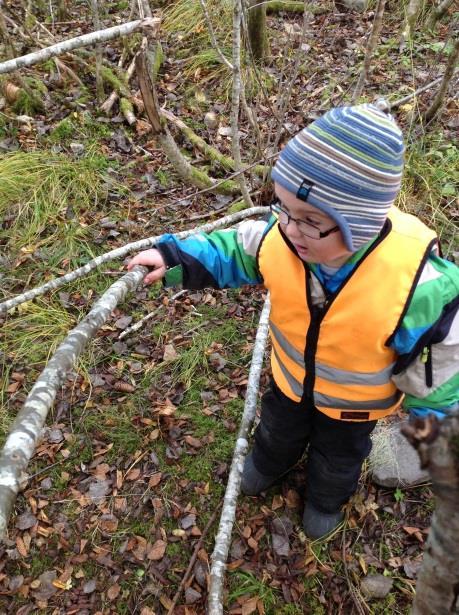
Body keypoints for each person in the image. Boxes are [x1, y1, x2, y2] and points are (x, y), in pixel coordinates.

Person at [128, 103, 459, 540]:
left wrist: (433, 425)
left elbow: (441, 363)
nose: (289, 228)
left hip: (353, 410)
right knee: (276, 430)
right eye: (281, 208)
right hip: (290, 381)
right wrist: (173, 258)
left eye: (311, 222)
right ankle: (269, 464)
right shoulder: (281, 237)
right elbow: (231, 250)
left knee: (338, 461)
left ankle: (325, 500)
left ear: (358, 225)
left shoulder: (418, 284)